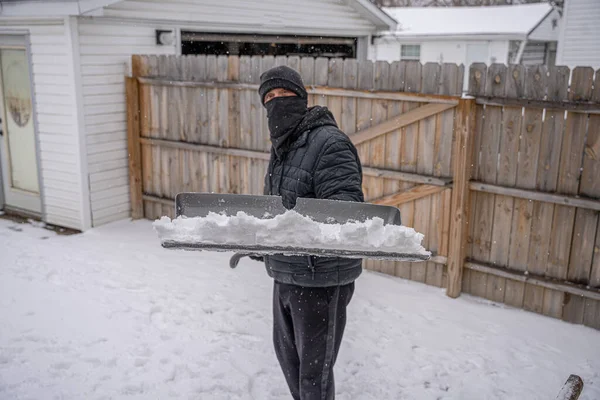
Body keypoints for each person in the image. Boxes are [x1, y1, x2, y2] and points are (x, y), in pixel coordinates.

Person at [256, 65, 365, 400]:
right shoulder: (284, 148)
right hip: (285, 271)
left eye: (282, 94)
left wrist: (291, 232)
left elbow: (345, 213)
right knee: (290, 362)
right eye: (268, 98)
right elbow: (278, 207)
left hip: (321, 279)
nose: (275, 103)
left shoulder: (329, 143)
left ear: (301, 98)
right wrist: (259, 239)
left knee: (313, 376)